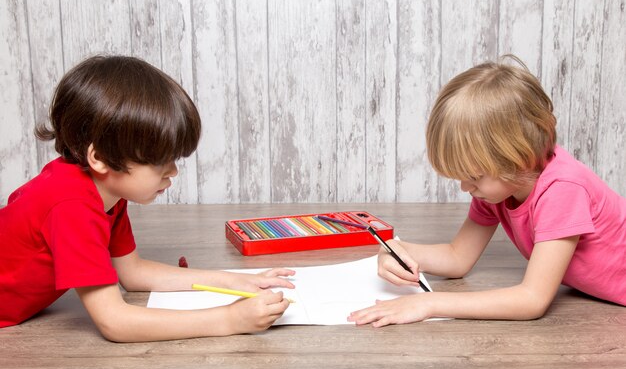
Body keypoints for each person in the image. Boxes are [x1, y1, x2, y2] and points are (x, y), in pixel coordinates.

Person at [0, 55, 294, 341]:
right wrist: (230, 319)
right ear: (101, 157)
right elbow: (115, 322)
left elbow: (133, 273)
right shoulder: (72, 206)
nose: (173, 172)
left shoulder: (107, 191)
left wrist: (237, 281)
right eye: (159, 161)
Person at [348, 56, 626, 326]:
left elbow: (532, 299)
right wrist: (397, 251)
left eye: (474, 176)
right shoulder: (500, 187)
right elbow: (458, 257)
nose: (464, 187)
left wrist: (429, 303)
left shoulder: (562, 190)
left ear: (519, 158)